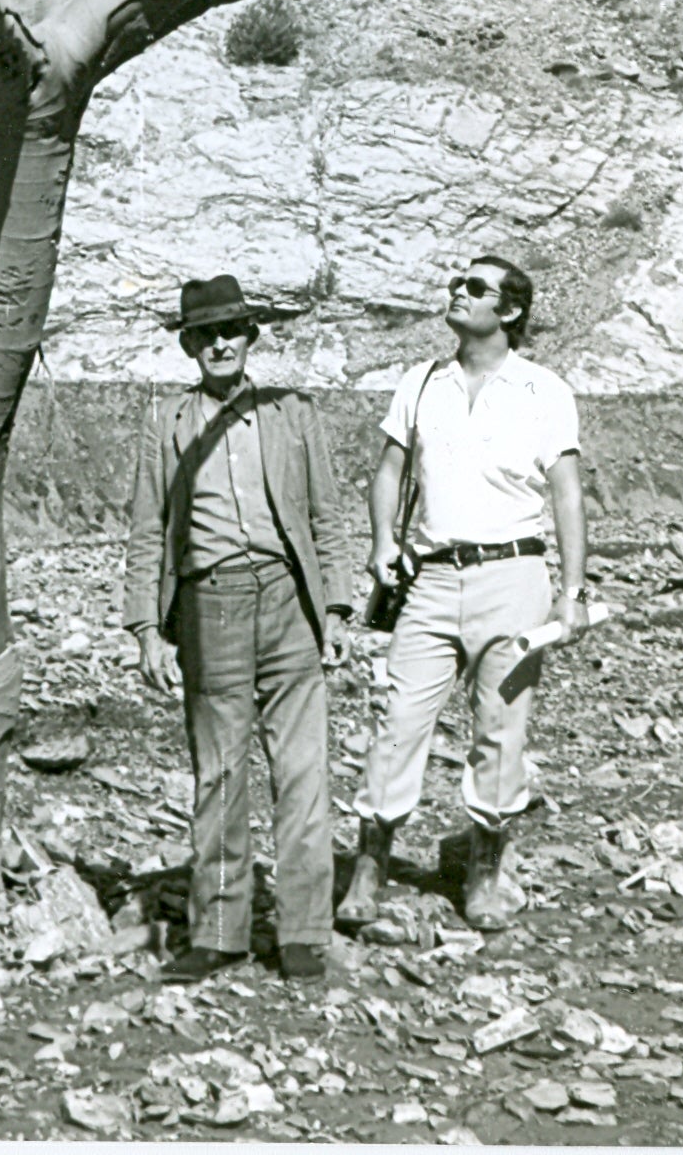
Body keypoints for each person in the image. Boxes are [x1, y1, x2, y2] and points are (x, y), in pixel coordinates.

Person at [339, 254, 590, 932]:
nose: (458, 291)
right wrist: (383, 544)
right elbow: (387, 471)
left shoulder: (544, 391)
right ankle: (370, 865)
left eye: (475, 287)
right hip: (430, 576)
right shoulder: (421, 383)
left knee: (500, 732)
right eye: (456, 281)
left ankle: (484, 871)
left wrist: (573, 590)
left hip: (513, 575)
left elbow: (567, 493)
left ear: (508, 311)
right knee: (395, 722)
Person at [124, 274, 353, 982]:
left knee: (303, 773)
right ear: (190, 345)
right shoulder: (167, 423)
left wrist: (338, 609)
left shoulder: (294, 416)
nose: (220, 343)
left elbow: (325, 516)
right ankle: (218, 933)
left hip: (289, 602)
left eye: (232, 330)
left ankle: (304, 934)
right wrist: (144, 629)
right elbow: (146, 528)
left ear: (251, 338)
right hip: (208, 605)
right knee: (219, 772)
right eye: (205, 333)